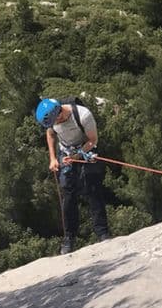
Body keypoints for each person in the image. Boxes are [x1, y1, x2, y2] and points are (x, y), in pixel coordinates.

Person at [35, 98, 111, 254]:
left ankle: (102, 232)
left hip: (86, 148)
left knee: (92, 187)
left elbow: (93, 140)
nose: (56, 124)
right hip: (66, 152)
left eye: (56, 120)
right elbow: (50, 135)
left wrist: (77, 156)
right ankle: (69, 238)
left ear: (60, 112)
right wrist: (53, 158)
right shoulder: (53, 121)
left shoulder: (83, 115)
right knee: (68, 193)